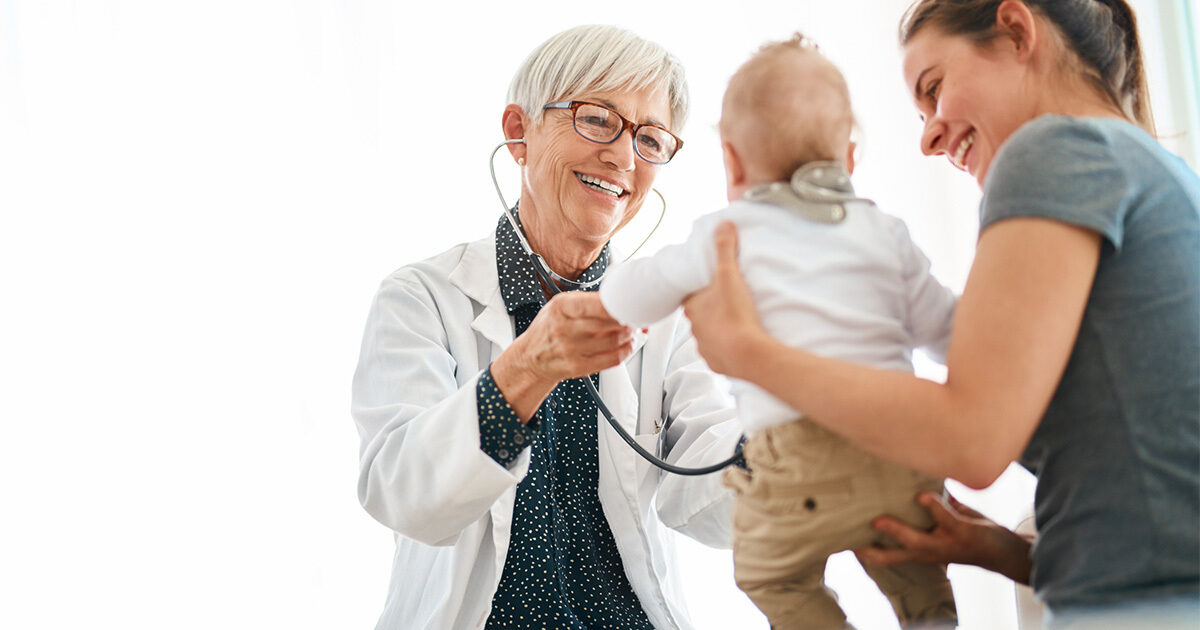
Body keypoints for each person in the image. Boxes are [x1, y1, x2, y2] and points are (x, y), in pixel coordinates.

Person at [682, 0, 1200, 626]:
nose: (928, 136)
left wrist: (749, 352)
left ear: (1016, 31)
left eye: (934, 89)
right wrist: (998, 549)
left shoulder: (1055, 149)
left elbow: (973, 440)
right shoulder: (1152, 171)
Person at [350, 24, 743, 630]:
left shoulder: (666, 317)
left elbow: (706, 505)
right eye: (596, 119)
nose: (622, 156)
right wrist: (528, 364)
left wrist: (787, 428)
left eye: (650, 138)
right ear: (518, 133)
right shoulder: (422, 298)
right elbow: (404, 494)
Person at [599, 35, 958, 629]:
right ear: (849, 157)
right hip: (900, 454)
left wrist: (612, 293)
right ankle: (933, 620)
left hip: (794, 466)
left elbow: (629, 294)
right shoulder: (884, 233)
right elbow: (948, 334)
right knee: (918, 570)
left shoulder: (725, 235)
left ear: (733, 163)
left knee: (771, 572)